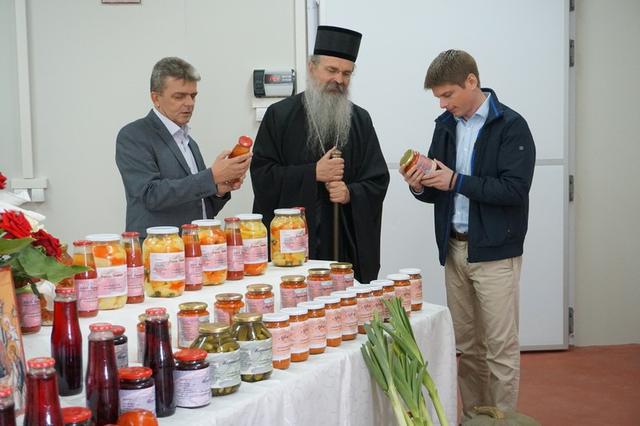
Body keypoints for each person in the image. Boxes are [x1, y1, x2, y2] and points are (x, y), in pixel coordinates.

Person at [400, 50, 535, 418]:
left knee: (500, 350)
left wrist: (456, 180)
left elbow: (513, 190)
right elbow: (434, 188)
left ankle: (503, 421)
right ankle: (476, 419)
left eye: (448, 95)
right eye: (439, 98)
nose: (443, 104)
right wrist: (418, 184)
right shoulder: (446, 123)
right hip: (455, 251)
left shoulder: (511, 126)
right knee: (469, 347)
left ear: (471, 82)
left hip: (495, 254)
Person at [250, 26, 389, 283]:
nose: (339, 79)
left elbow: (378, 179)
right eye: (332, 70)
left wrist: (350, 194)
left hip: (344, 246)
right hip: (293, 250)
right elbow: (262, 176)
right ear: (312, 68)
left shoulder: (360, 120)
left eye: (346, 73)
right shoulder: (279, 116)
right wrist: (312, 173)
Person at [116, 57, 251, 236]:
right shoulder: (134, 135)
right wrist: (211, 176)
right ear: (155, 98)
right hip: (159, 250)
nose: (189, 103)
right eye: (179, 96)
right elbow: (151, 195)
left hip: (195, 246)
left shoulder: (189, 141)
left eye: (193, 96)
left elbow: (200, 208)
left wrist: (218, 190)